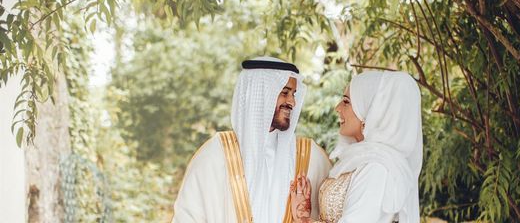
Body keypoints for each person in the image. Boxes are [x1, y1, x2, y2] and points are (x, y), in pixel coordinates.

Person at [173, 56, 332, 223]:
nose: (292, 101)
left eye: (293, 94)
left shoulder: (311, 158)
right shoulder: (215, 156)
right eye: (284, 92)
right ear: (261, 94)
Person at [289, 70, 423, 223]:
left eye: (346, 102)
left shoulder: (377, 168)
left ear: (371, 113)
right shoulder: (357, 161)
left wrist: (303, 219)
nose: (338, 108)